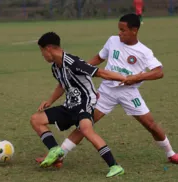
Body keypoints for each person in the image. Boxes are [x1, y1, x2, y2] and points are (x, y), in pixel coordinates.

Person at [36, 14, 178, 168]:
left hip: (129, 93)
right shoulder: (112, 41)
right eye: (119, 29)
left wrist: (136, 77)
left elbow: (158, 72)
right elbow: (98, 58)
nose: (120, 33)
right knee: (84, 125)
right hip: (106, 91)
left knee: (151, 125)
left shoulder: (144, 51)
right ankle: (60, 155)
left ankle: (171, 154)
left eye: (123, 30)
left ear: (134, 30)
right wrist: (79, 70)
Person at [31, 32, 129, 178]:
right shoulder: (55, 67)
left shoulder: (73, 63)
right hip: (70, 105)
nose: (42, 55)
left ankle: (115, 166)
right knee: (36, 119)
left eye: (42, 51)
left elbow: (100, 72)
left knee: (86, 129)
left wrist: (124, 78)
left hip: (85, 103)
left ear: (49, 48)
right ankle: (55, 150)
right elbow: (62, 85)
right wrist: (50, 101)